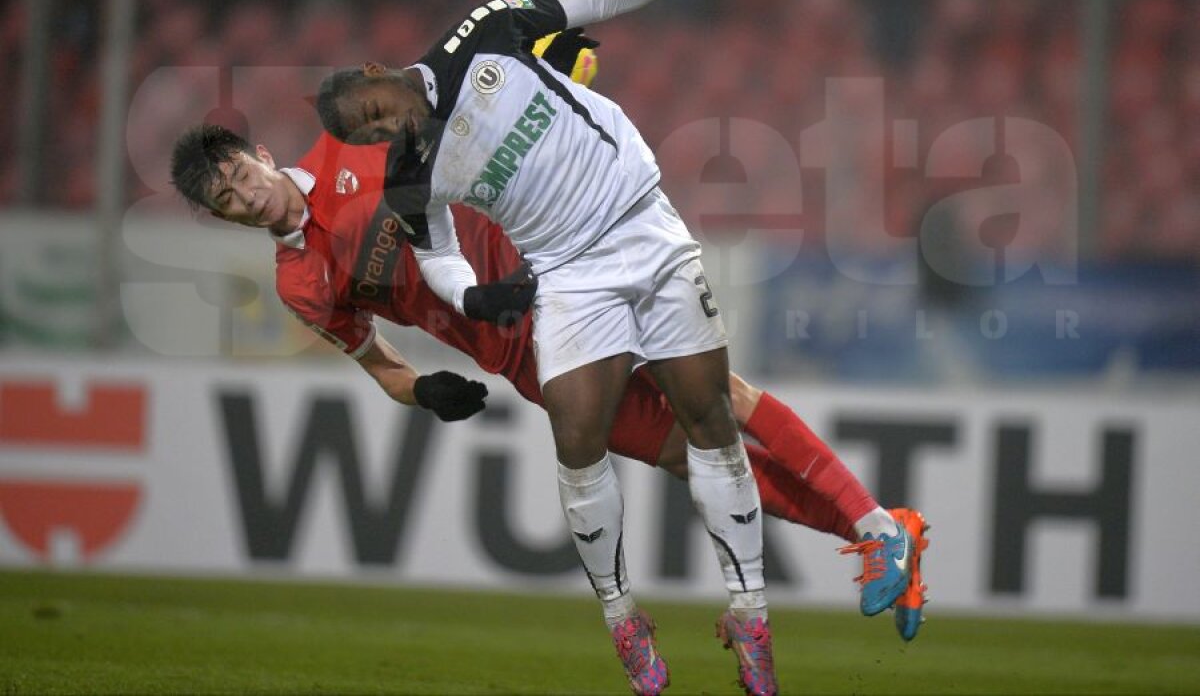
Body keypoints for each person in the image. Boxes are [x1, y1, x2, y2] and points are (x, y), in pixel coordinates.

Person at [308, 0, 913, 696]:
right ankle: (623, 617)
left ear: (376, 74)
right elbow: (439, 254)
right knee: (577, 437)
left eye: (377, 109)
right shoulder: (411, 178)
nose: (386, 127)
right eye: (369, 132)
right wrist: (475, 294)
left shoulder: (482, 34)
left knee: (711, 418)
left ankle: (752, 616)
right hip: (568, 274)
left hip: (643, 228)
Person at [169, 120, 930, 658]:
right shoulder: (298, 284)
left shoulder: (352, 144)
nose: (248, 195)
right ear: (220, 218)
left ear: (261, 153)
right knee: (689, 455)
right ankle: (887, 528)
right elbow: (383, 367)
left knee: (719, 399)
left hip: (560, 271)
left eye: (242, 173)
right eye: (230, 199)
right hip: (519, 356)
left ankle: (873, 527)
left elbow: (463, 134)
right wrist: (427, 389)